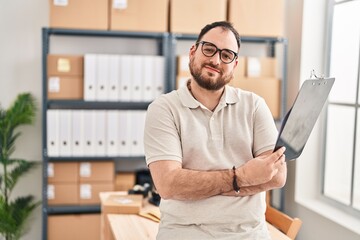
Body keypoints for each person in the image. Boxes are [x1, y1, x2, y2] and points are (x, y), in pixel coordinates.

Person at [144, 21, 287, 240]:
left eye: (227, 55)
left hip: (250, 234)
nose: (216, 60)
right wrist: (241, 177)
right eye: (209, 49)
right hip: (184, 233)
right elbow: (168, 185)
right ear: (193, 52)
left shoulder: (254, 105)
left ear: (235, 65)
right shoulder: (163, 109)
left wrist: (201, 186)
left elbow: (277, 176)